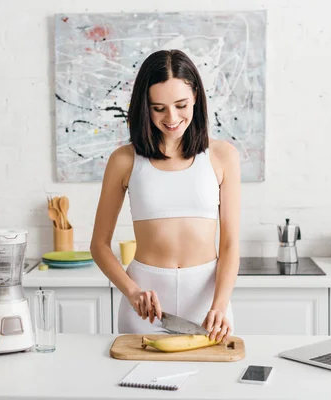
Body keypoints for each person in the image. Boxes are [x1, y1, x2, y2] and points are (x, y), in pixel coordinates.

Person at [90, 49, 241, 343]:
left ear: (196, 96)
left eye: (181, 105)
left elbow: (231, 243)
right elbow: (99, 245)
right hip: (145, 307)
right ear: (144, 107)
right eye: (158, 108)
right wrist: (132, 291)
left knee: (212, 388)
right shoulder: (124, 160)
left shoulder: (223, 156)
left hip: (209, 306)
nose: (172, 118)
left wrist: (220, 305)